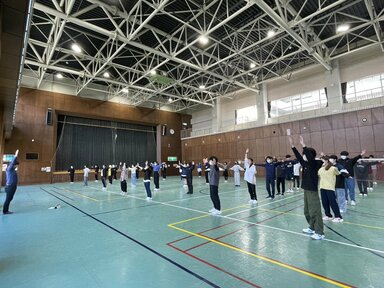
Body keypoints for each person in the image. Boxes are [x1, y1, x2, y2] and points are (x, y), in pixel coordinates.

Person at [290, 135, 324, 240]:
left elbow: (309, 157)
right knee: (307, 211)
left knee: (315, 211)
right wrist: (293, 146)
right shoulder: (305, 164)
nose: (303, 156)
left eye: (305, 154)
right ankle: (312, 227)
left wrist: (304, 145)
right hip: (306, 189)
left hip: (312, 191)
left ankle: (319, 232)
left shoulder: (315, 163)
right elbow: (299, 157)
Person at [318, 156, 344, 223]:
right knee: (324, 202)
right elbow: (318, 174)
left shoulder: (333, 168)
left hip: (330, 187)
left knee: (333, 202)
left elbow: (338, 173)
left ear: (327, 161)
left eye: (322, 160)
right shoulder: (320, 169)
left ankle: (338, 216)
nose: (321, 162)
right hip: (322, 187)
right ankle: (328, 215)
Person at [3, 149, 19, 214]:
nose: (17, 167)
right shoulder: (9, 168)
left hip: (13, 186)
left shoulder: (13, 170)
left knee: (10, 198)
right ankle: (5, 211)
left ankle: (6, 210)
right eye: (16, 165)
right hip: (10, 186)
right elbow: (13, 162)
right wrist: (16, 155)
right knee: (8, 199)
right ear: (14, 165)